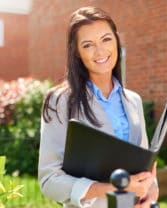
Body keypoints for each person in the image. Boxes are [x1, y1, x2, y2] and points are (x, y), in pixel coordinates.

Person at [38, 6, 158, 208]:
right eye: (88, 45)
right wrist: (113, 187)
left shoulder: (133, 101)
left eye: (106, 39)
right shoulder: (60, 101)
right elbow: (49, 179)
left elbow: (144, 167)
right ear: (76, 52)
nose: (100, 51)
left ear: (117, 41)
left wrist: (150, 193)